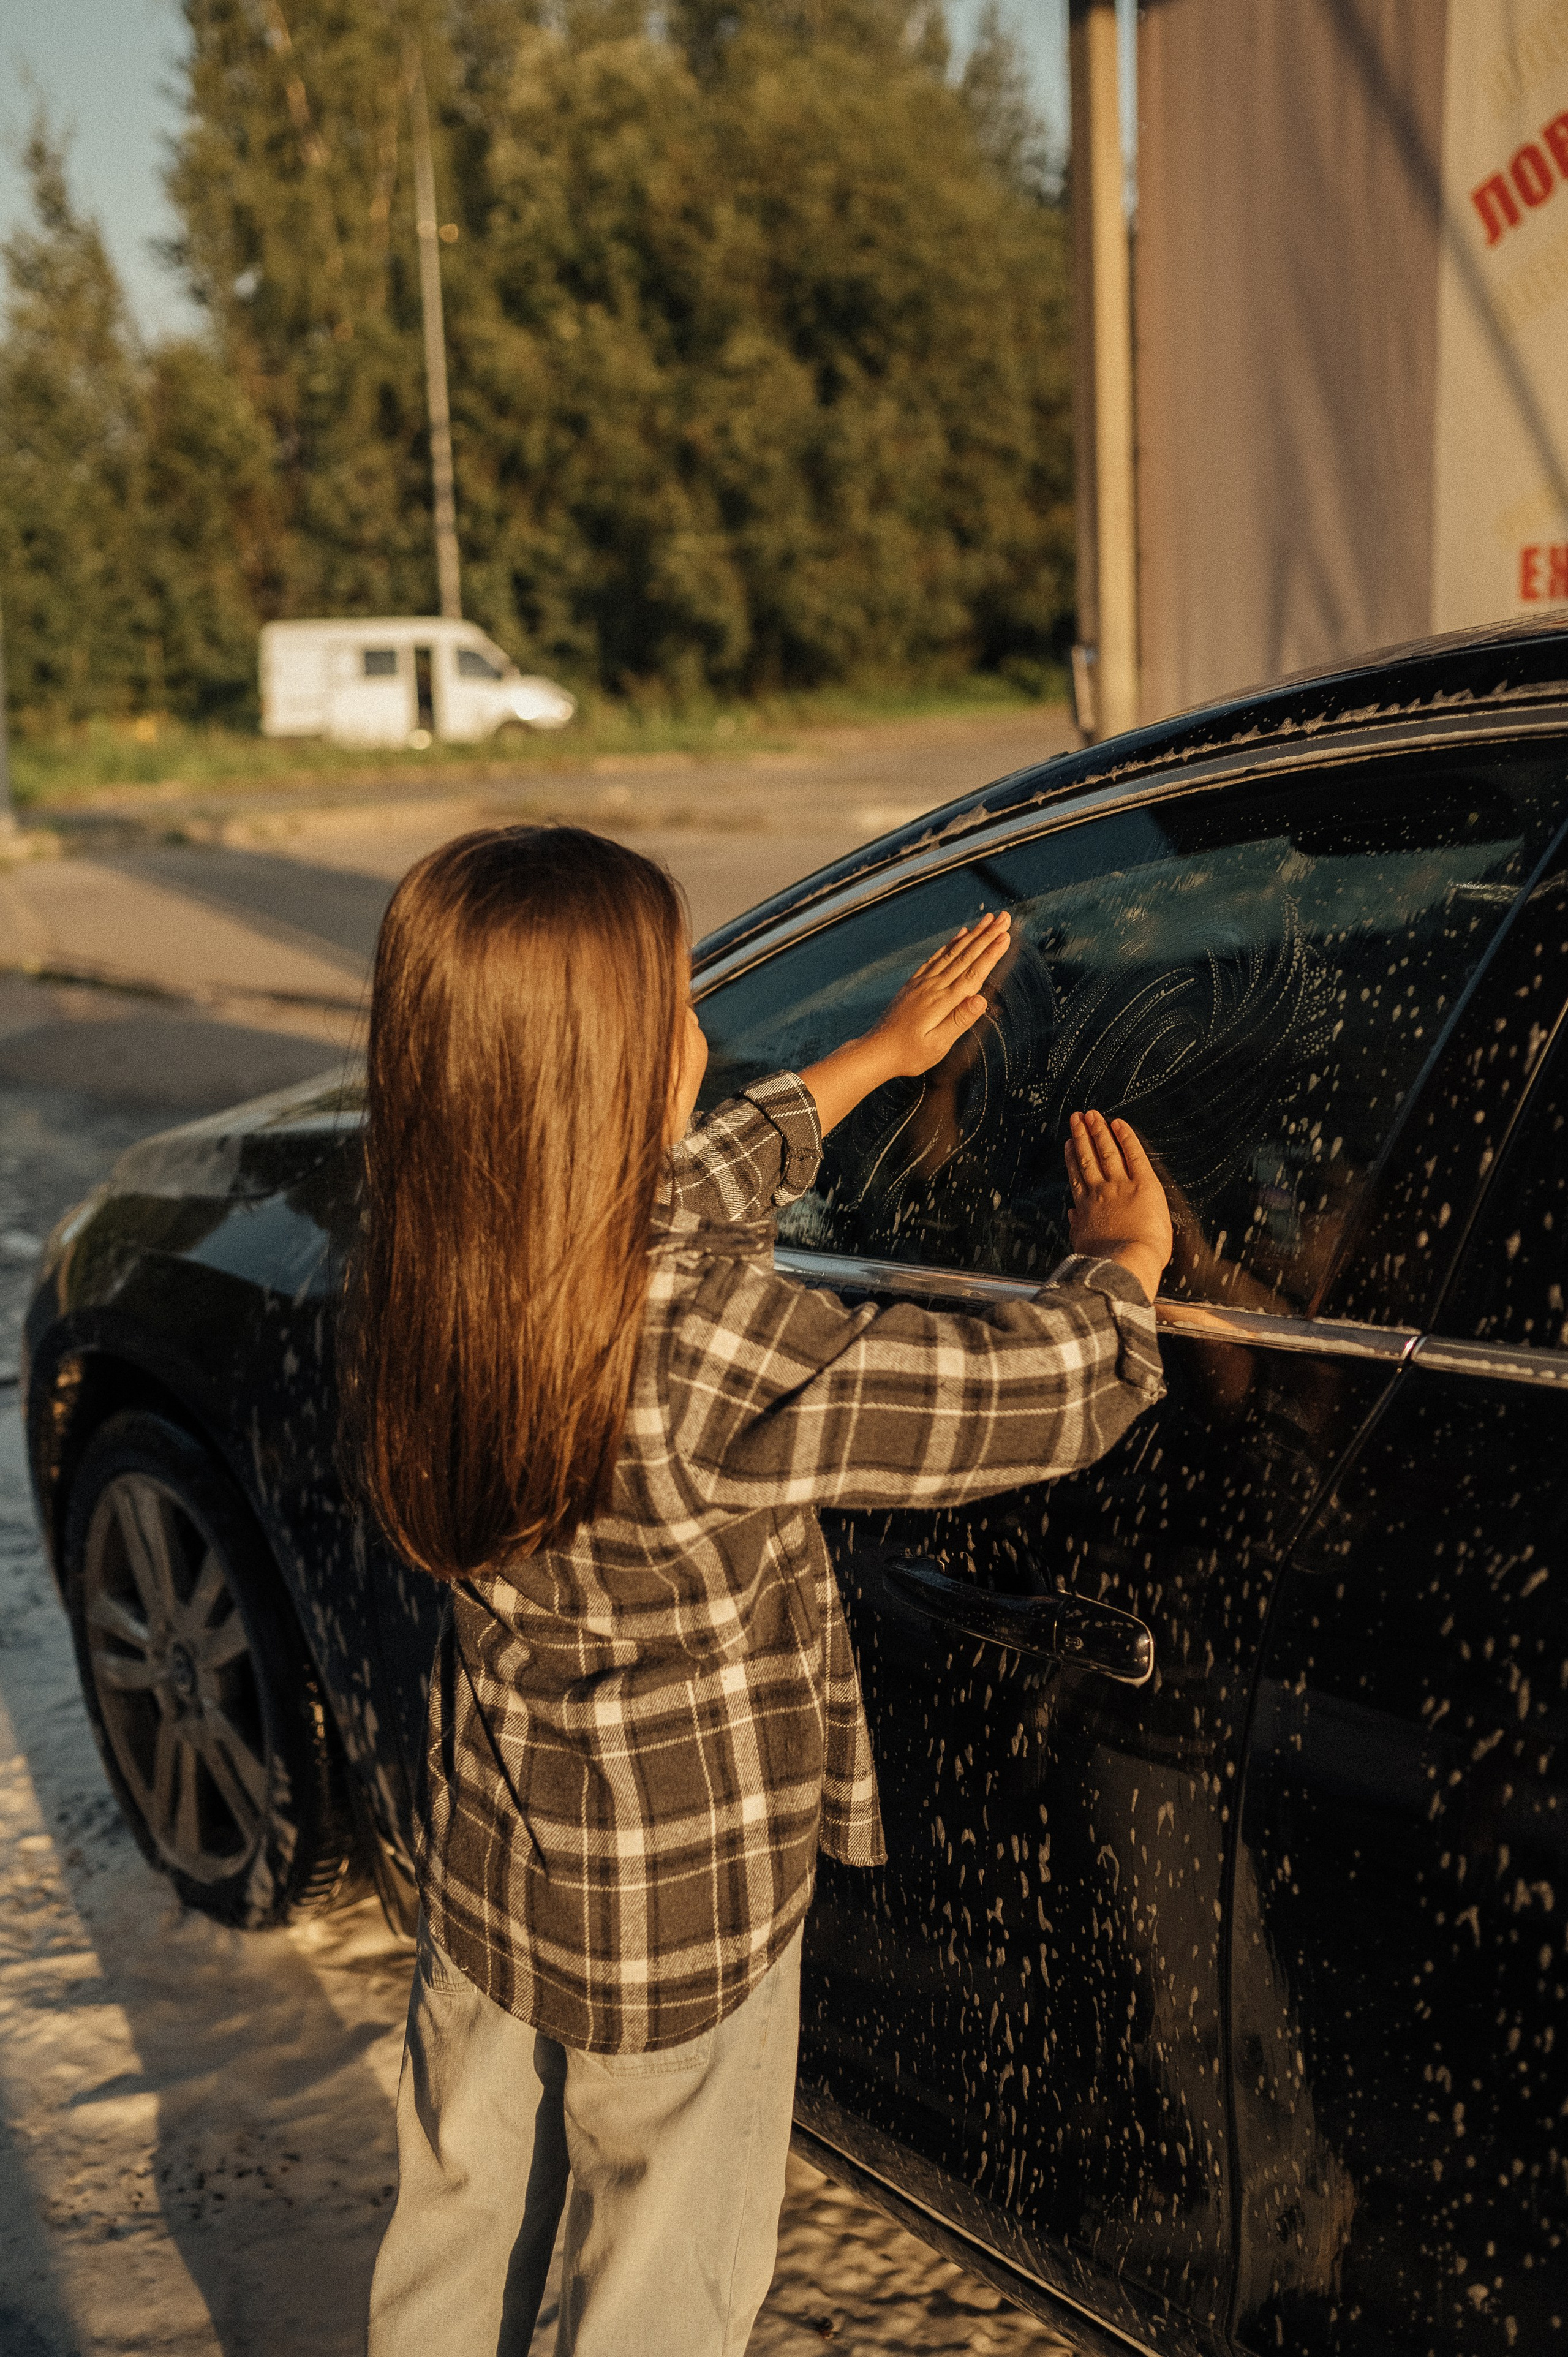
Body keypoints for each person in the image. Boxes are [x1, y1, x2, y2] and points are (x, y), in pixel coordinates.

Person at [341, 824, 1172, 2357]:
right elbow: (1016, 1402)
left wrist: (861, 1063)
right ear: (604, 1076)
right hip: (681, 1915)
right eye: (673, 1010)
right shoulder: (713, 1347)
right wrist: (1116, 1275)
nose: (703, 1032)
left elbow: (665, 1194)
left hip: (499, 1866)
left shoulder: (436, 1255)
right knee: (662, 2278)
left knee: (459, 2223)